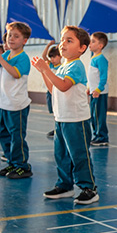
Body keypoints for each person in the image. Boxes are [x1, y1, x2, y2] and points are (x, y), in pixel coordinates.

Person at [32, 26, 99, 205]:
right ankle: (65, 185)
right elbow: (53, 89)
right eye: (62, 40)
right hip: (61, 118)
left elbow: (63, 86)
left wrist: (46, 69)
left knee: (79, 155)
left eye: (69, 40)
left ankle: (89, 188)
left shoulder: (76, 66)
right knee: (61, 154)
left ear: (82, 48)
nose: (63, 44)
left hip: (76, 120)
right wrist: (44, 71)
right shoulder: (62, 66)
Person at [0, 22, 33, 179]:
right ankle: (12, 163)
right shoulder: (7, 55)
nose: (12, 39)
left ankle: (23, 166)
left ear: (24, 40)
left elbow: (15, 73)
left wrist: (0, 59)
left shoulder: (23, 58)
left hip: (17, 105)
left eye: (16, 36)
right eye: (9, 36)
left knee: (17, 137)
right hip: (4, 103)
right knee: (4, 134)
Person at [87, 31, 109, 146]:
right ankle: (96, 134)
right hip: (93, 92)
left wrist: (99, 89)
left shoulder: (101, 59)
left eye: (93, 41)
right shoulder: (93, 58)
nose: (90, 43)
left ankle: (102, 136)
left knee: (99, 115)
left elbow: (103, 76)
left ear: (100, 46)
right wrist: (89, 88)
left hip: (99, 93)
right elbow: (92, 76)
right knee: (93, 114)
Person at [41, 40, 62, 137]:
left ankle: (59, 128)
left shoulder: (61, 67)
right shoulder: (50, 65)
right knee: (53, 111)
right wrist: (49, 45)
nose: (52, 59)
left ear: (60, 56)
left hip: (58, 92)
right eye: (51, 57)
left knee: (59, 110)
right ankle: (56, 128)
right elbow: (44, 56)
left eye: (54, 57)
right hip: (49, 91)